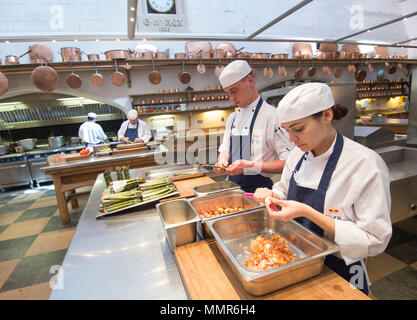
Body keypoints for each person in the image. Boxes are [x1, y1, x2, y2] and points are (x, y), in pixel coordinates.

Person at [254, 82, 392, 295]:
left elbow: (375, 240)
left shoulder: (365, 165)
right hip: (296, 257)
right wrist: (272, 194)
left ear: (327, 116)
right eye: (287, 130)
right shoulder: (297, 154)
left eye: (298, 129)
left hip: (340, 267)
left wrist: (307, 212)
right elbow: (284, 188)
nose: (292, 139)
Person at [213, 60, 293, 193]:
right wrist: (221, 162)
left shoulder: (272, 117)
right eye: (228, 93)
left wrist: (252, 166)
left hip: (260, 192)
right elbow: (225, 150)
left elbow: (289, 162)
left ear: (250, 80)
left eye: (234, 90)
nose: (231, 98)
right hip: (233, 188)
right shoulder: (232, 118)